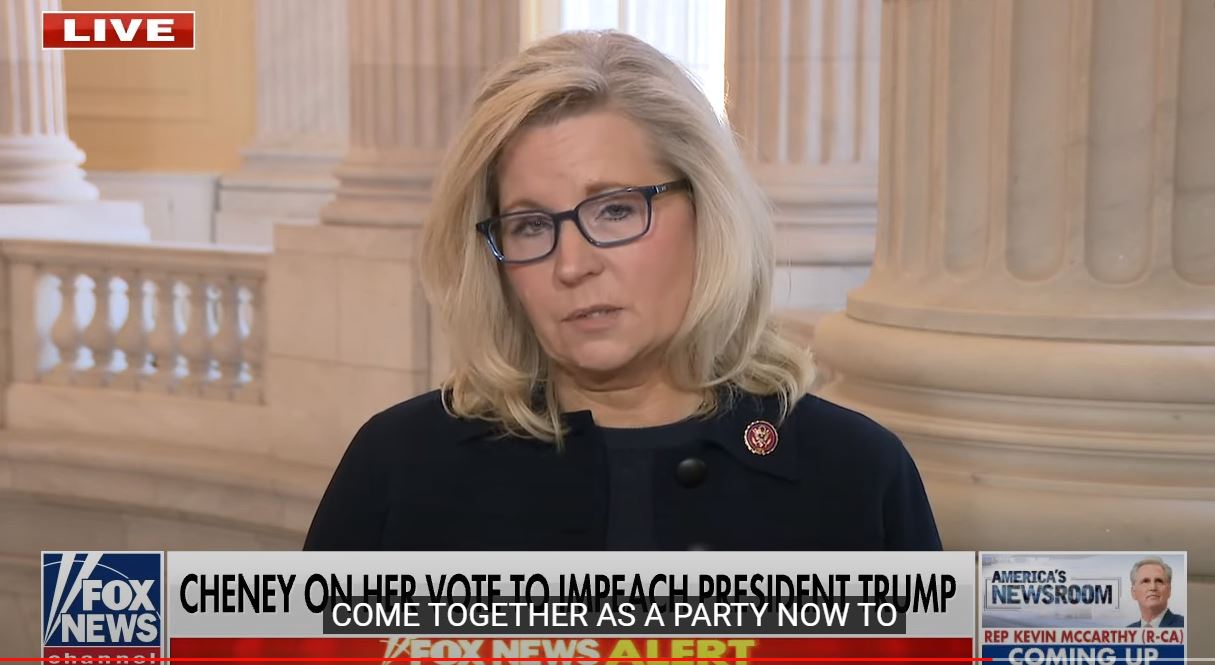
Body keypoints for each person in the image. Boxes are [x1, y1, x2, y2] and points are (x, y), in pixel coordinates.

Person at [304, 30, 941, 551]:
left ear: (707, 212)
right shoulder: (401, 466)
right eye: (530, 225)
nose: (572, 266)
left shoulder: (857, 474)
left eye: (614, 210)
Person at [1127, 557, 1184, 627]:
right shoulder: (1126, 632)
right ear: (1133, 592)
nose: (1153, 587)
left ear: (1169, 590)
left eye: (1159, 581)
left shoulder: (1184, 625)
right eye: (1145, 581)